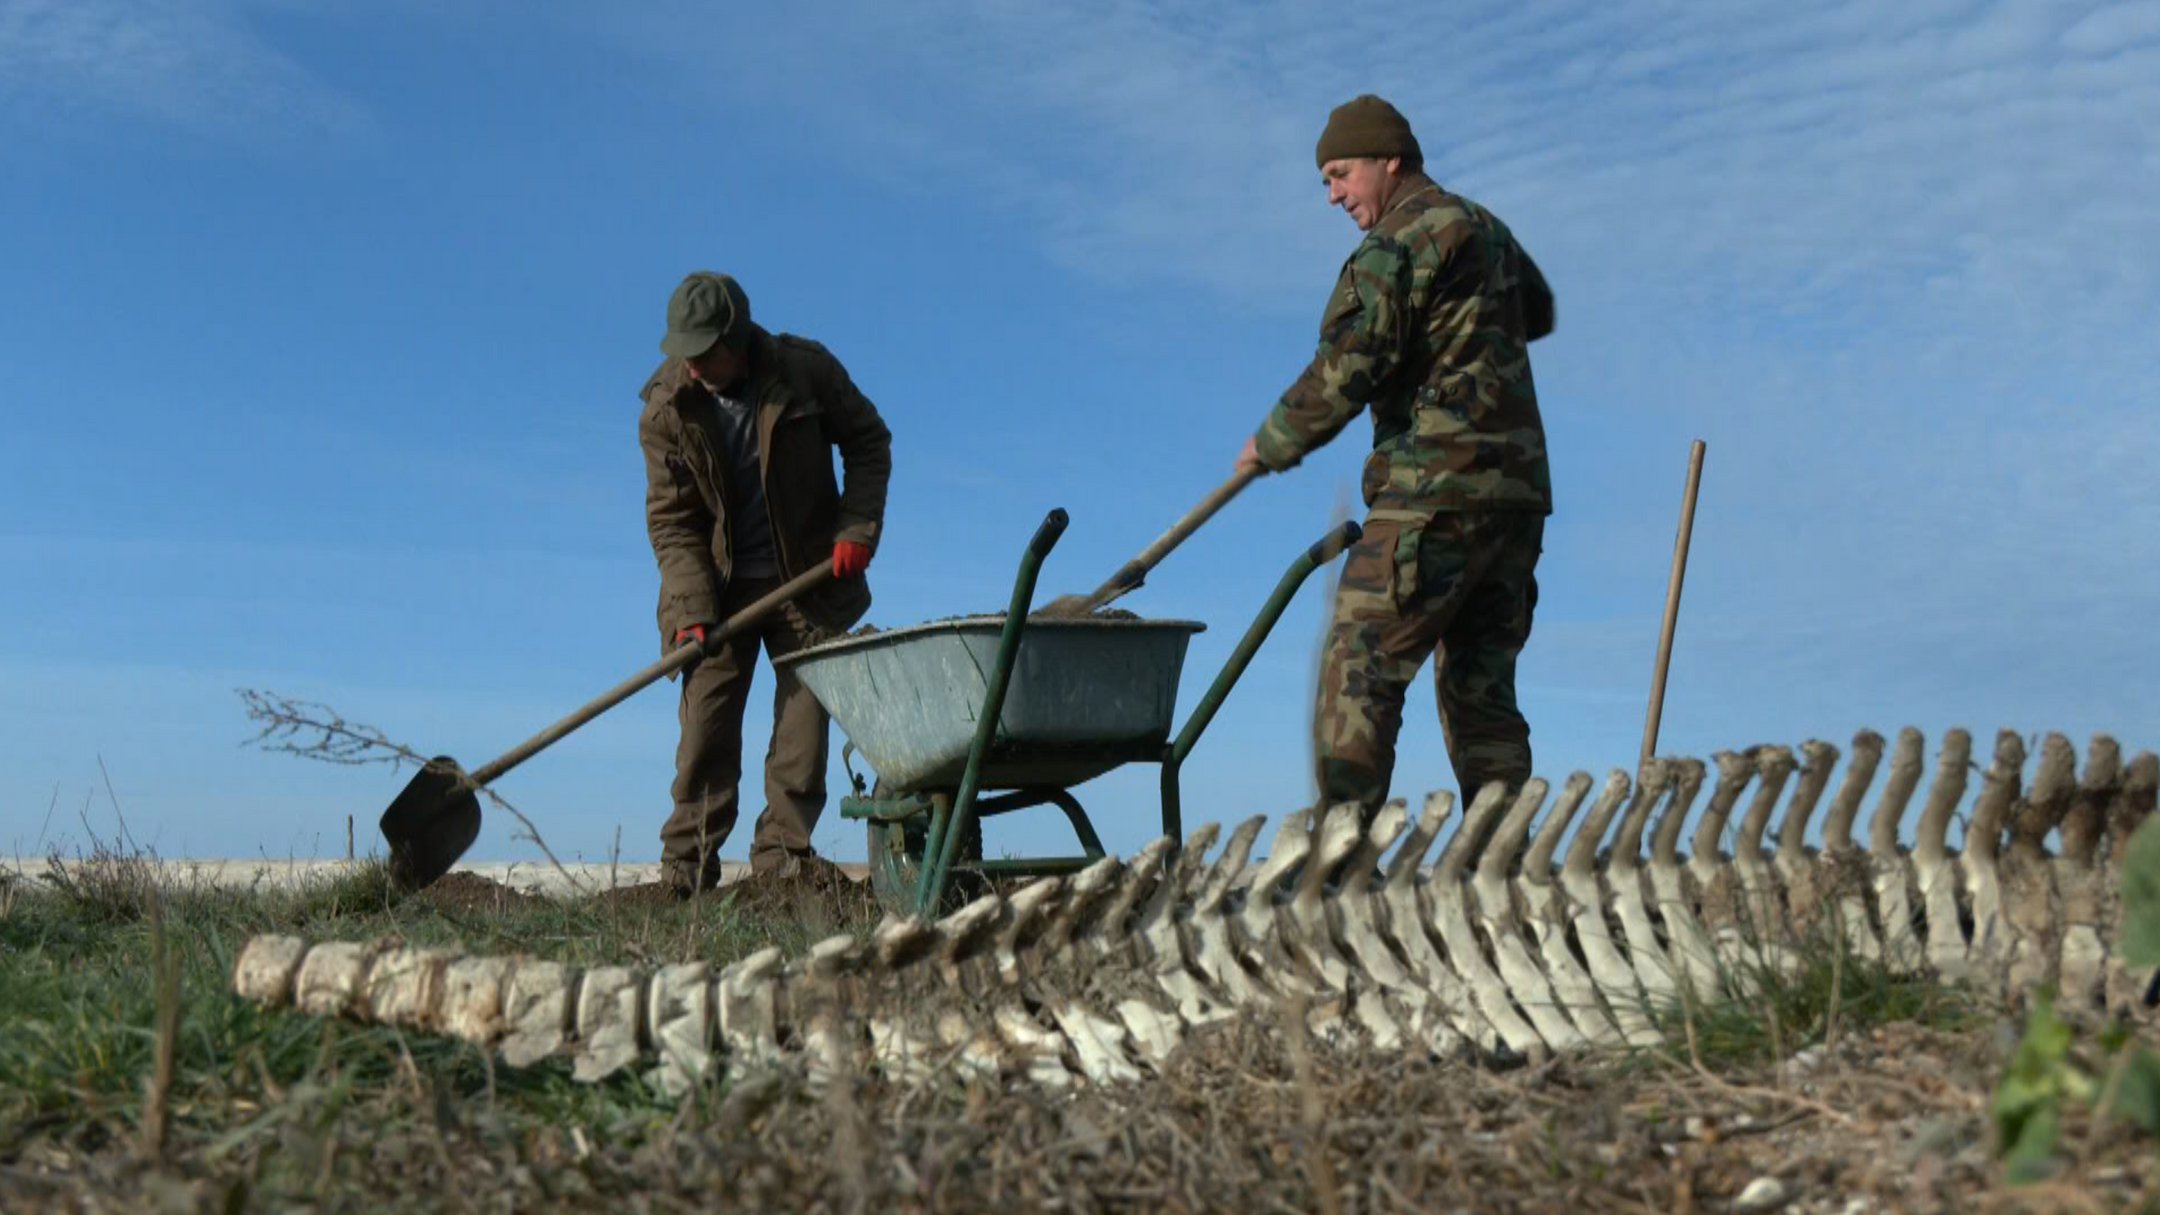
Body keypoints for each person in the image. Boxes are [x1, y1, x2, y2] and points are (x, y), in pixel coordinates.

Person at [1233, 95, 1556, 819]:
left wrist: (1274, 440)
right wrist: (1469, 334)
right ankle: (1499, 863)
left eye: (1341, 174)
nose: (1333, 195)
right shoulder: (1485, 230)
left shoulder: (1396, 245)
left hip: (1433, 487)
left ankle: (1342, 859)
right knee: (1482, 689)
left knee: (1360, 661)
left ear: (1391, 160)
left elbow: (1351, 366)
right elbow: (1538, 310)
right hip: (1515, 500)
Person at [639, 270, 892, 893]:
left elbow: (868, 442)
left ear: (737, 339)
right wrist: (692, 604)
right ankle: (684, 871)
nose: (693, 367)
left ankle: (781, 865)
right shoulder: (666, 407)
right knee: (706, 728)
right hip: (717, 589)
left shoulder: (805, 373)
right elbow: (672, 521)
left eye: (704, 353)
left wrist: (856, 528)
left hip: (805, 579)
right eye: (684, 355)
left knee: (803, 729)